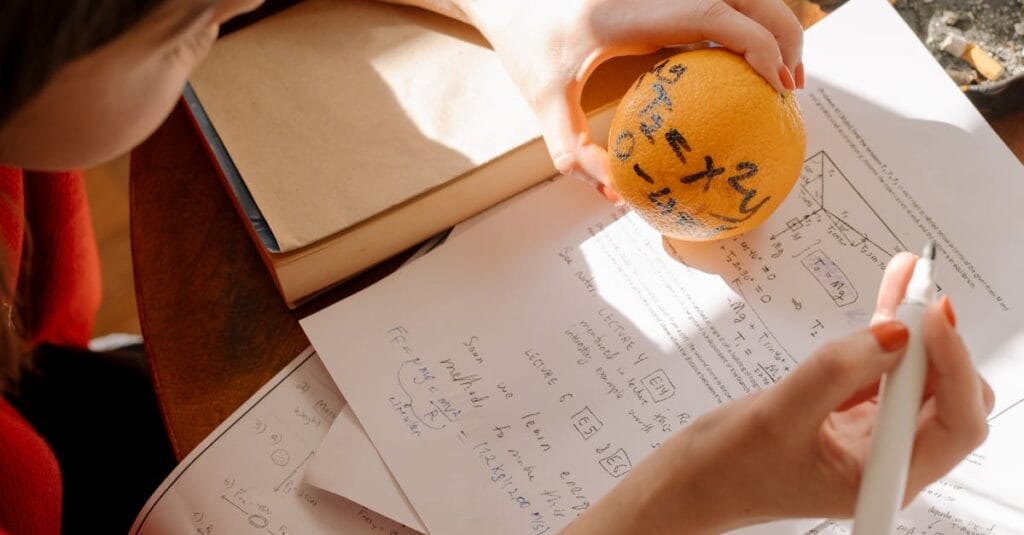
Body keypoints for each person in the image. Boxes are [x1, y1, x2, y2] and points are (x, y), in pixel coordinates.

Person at [0, 0, 993, 533]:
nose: (221, 22)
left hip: (56, 393)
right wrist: (684, 497)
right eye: (180, 32)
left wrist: (522, 10)